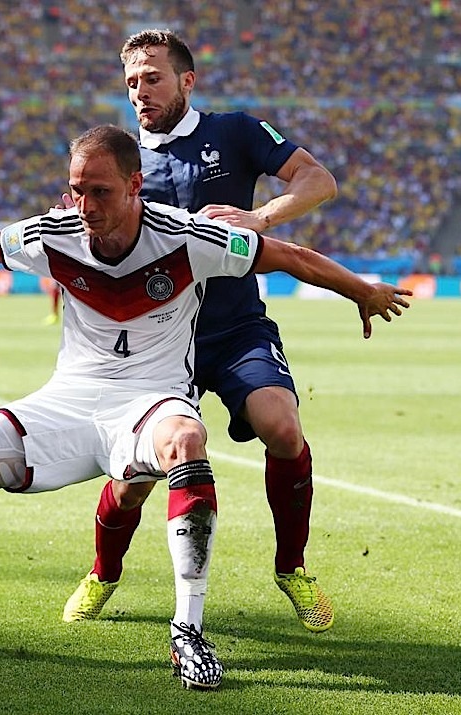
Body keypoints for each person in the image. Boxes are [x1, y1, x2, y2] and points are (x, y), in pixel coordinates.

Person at [0, 124, 411, 691]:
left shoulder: (188, 237)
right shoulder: (52, 235)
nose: (85, 205)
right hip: (66, 404)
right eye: (76, 190)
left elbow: (289, 256)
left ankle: (188, 630)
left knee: (187, 442)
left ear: (135, 185)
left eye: (100, 191)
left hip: (151, 401)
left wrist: (362, 291)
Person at [62, 29, 342, 632]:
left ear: (187, 81)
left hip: (236, 328)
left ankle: (292, 568)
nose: (140, 91)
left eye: (153, 78)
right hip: (158, 346)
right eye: (132, 81)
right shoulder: (120, 161)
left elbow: (318, 180)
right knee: (134, 482)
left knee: (283, 427)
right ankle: (103, 572)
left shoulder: (235, 132)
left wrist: (259, 216)